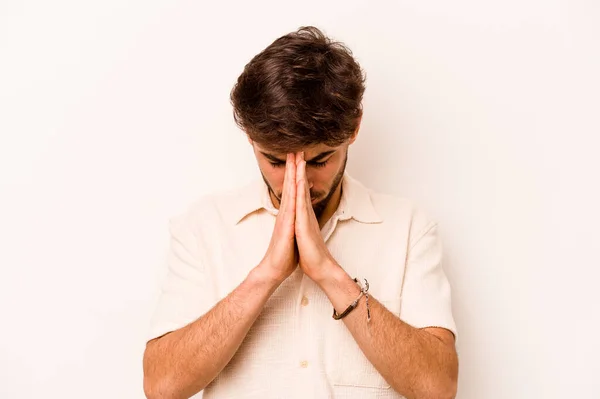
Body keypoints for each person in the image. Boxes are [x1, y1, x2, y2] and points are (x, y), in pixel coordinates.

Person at [142, 26, 458, 399]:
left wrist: (328, 272)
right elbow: (160, 387)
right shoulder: (203, 226)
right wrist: (266, 275)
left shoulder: (408, 228)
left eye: (320, 160)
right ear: (250, 138)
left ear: (355, 128)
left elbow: (437, 388)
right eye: (276, 161)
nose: (299, 182)